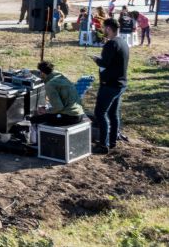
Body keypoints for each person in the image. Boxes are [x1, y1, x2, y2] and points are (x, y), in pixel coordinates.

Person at [91, 18, 129, 154]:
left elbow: (104, 63)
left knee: (100, 113)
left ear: (108, 28)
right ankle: (112, 141)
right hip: (120, 83)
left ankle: (103, 145)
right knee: (113, 113)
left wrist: (96, 60)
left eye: (103, 28)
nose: (102, 30)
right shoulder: (123, 42)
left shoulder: (111, 44)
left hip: (110, 85)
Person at [29, 61, 84, 128]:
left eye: (40, 72)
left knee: (33, 120)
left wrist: (46, 110)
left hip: (70, 117)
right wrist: (30, 71)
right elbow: (41, 73)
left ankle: (29, 136)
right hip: (80, 113)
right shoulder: (59, 75)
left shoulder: (50, 85)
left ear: (42, 73)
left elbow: (58, 107)